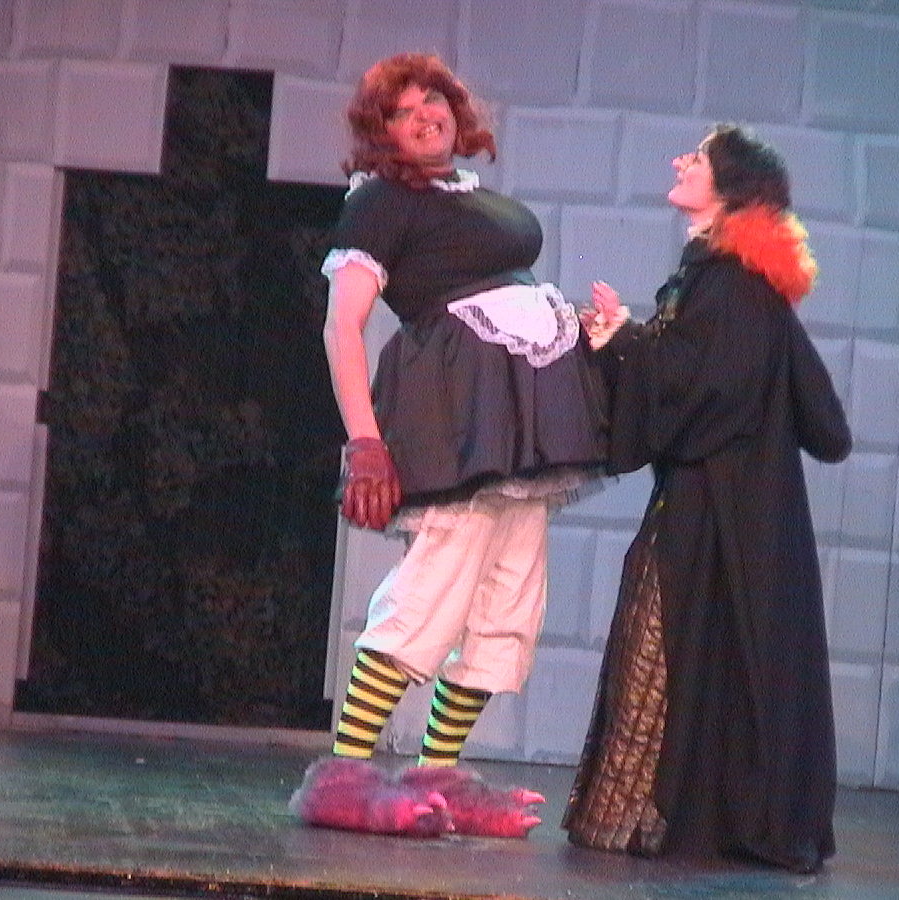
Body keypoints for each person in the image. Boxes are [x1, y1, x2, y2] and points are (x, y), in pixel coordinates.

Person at [290, 52, 608, 837]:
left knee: (508, 603)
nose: (424, 114)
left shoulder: (473, 197)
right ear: (382, 132)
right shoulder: (379, 201)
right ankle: (343, 775)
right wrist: (365, 443)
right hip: (456, 417)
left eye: (432, 99)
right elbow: (342, 325)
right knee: (433, 591)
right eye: (402, 110)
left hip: (519, 425)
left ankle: (439, 773)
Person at [562, 123, 851, 873]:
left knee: (671, 650)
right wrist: (628, 339)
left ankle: (673, 817)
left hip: (720, 514)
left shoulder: (733, 285)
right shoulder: (729, 281)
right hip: (724, 510)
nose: (680, 160)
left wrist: (628, 343)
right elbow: (726, 384)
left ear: (729, 188)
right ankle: (689, 817)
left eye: (697, 157)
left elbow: (704, 394)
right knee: (687, 652)